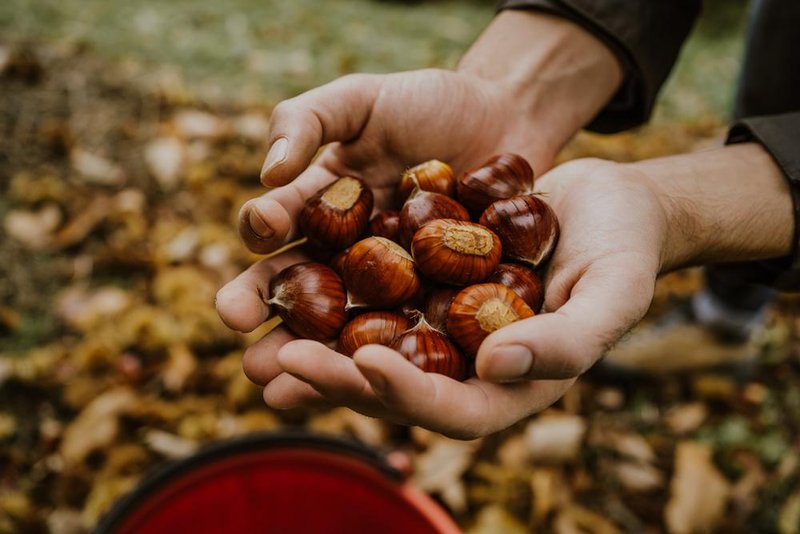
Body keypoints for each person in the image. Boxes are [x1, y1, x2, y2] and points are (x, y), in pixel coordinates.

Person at [215, 1, 800, 439]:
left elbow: (428, 251)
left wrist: (665, 206)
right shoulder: (442, 245)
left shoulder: (449, 251)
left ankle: (725, 322)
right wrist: (506, 92)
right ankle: (726, 313)